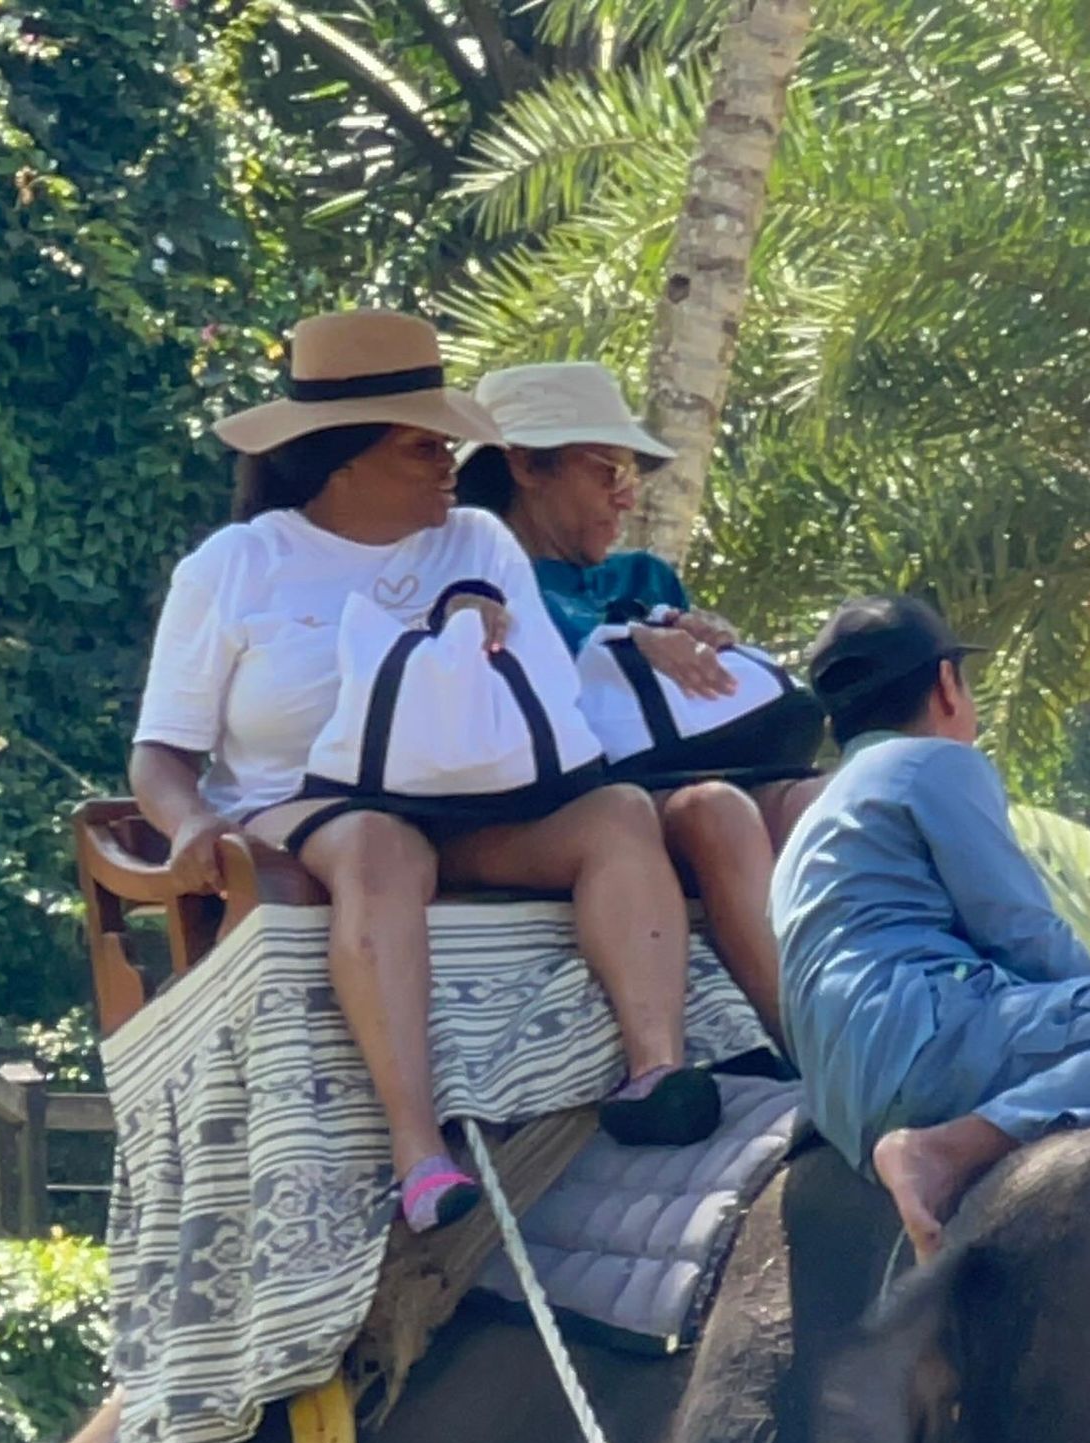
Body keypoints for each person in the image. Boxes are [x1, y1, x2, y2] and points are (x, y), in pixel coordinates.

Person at [131, 310, 721, 1239]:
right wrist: (191, 824)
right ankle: (419, 1150)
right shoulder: (238, 565)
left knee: (616, 812)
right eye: (423, 447)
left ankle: (658, 1072)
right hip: (304, 809)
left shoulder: (479, 539)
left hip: (479, 802)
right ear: (341, 459)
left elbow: (550, 698)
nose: (451, 464)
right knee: (380, 845)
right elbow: (161, 753)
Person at [770, 595, 1090, 1257]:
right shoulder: (931, 762)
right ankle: (943, 1150)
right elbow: (1020, 931)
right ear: (947, 685)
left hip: (847, 1103)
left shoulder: (812, 818)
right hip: (930, 1043)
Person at [457, 363, 818, 1041]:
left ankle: (898, 1004)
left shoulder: (645, 578)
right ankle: (811, 1046)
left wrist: (708, 643)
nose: (626, 498)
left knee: (823, 798)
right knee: (716, 812)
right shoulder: (473, 575)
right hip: (570, 801)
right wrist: (627, 637)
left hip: (671, 775)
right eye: (608, 472)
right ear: (526, 467)